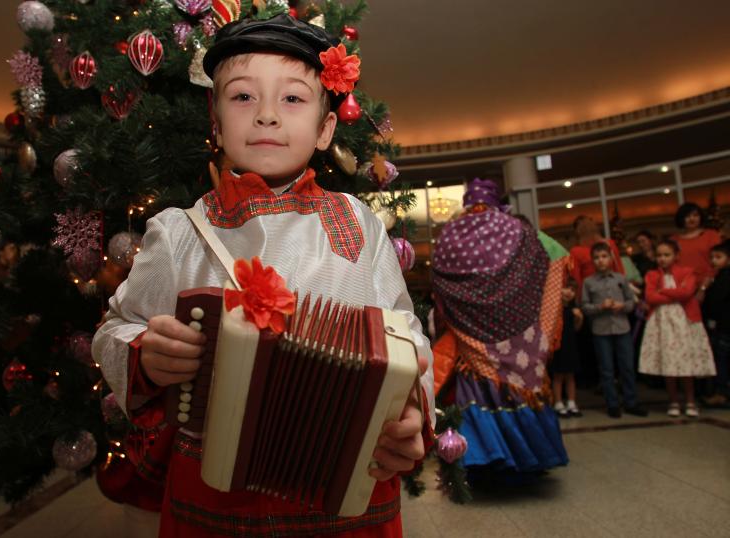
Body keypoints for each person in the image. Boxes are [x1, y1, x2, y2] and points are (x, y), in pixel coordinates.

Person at [92, 14, 434, 537]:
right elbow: (114, 329)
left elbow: (405, 332)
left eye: (293, 99)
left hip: (345, 484)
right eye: (243, 97)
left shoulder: (358, 222)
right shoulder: (179, 232)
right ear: (216, 122)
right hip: (214, 491)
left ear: (325, 129)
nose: (267, 116)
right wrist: (145, 354)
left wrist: (412, 406)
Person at [431, 179, 569, 478]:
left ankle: (483, 462)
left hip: (470, 337)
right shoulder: (520, 232)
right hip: (519, 337)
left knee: (476, 394)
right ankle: (529, 459)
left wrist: (463, 312)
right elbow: (554, 254)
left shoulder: (450, 235)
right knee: (519, 388)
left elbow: (438, 280)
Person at [639, 239, 715, 418]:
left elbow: (687, 292)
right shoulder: (651, 275)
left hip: (684, 322)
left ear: (675, 256)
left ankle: (690, 401)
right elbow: (650, 297)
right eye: (659, 255)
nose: (662, 259)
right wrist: (673, 294)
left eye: (667, 255)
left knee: (685, 362)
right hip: (661, 323)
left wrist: (663, 292)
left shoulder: (687, 272)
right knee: (668, 362)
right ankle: (673, 400)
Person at [581, 242, 647, 418]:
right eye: (596, 258)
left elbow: (632, 303)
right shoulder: (588, 282)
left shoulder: (620, 279)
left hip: (622, 328)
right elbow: (585, 307)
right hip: (601, 330)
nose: (600, 261)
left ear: (611, 258)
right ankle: (612, 404)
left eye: (604, 257)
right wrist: (600, 307)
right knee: (606, 369)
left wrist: (622, 306)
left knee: (627, 367)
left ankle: (631, 402)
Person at [700, 240, 730, 406]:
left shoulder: (724, 277)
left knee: (722, 359)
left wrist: (705, 288)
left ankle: (721, 393)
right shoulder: (718, 276)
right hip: (721, 325)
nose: (713, 261)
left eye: (718, 257)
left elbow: (717, 300)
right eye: (711, 257)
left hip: (724, 326)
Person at [672, 202, 722, 298]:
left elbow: (717, 263)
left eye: (695, 215)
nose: (692, 219)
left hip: (711, 286)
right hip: (683, 290)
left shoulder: (711, 235)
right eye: (687, 216)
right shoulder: (673, 240)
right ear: (681, 219)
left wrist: (703, 288)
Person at [550, 278, 584, 418]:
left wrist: (579, 318)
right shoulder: (555, 309)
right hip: (559, 346)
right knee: (558, 375)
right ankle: (558, 402)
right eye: (566, 288)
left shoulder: (574, 309)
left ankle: (571, 402)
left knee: (571, 375)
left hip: (571, 345)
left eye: (572, 289)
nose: (569, 292)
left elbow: (577, 329)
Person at [569, 215, 624, 291]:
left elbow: (576, 278)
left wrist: (580, 297)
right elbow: (619, 269)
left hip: (591, 293)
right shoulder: (609, 244)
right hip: (614, 290)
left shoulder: (576, 251)